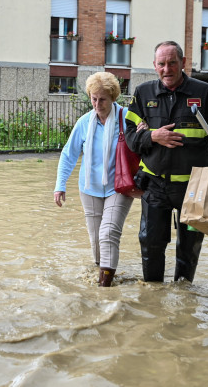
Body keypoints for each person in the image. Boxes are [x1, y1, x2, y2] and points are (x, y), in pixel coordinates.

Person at [123, 41, 208, 283]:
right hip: (156, 185)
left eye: (172, 63)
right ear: (154, 66)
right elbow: (130, 137)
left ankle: (184, 300)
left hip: (196, 189)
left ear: (183, 63)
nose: (167, 69)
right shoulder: (143, 93)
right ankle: (153, 298)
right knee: (151, 243)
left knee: (189, 247)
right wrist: (153, 135)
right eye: (161, 64)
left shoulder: (204, 93)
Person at [53, 72, 145, 286]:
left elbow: (145, 147)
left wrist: (143, 134)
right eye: (93, 98)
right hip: (89, 187)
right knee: (96, 241)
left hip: (120, 187)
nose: (97, 103)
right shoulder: (85, 122)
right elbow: (69, 154)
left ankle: (105, 288)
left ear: (113, 97)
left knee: (108, 232)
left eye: (102, 99)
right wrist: (60, 185)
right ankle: (99, 275)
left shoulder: (128, 118)